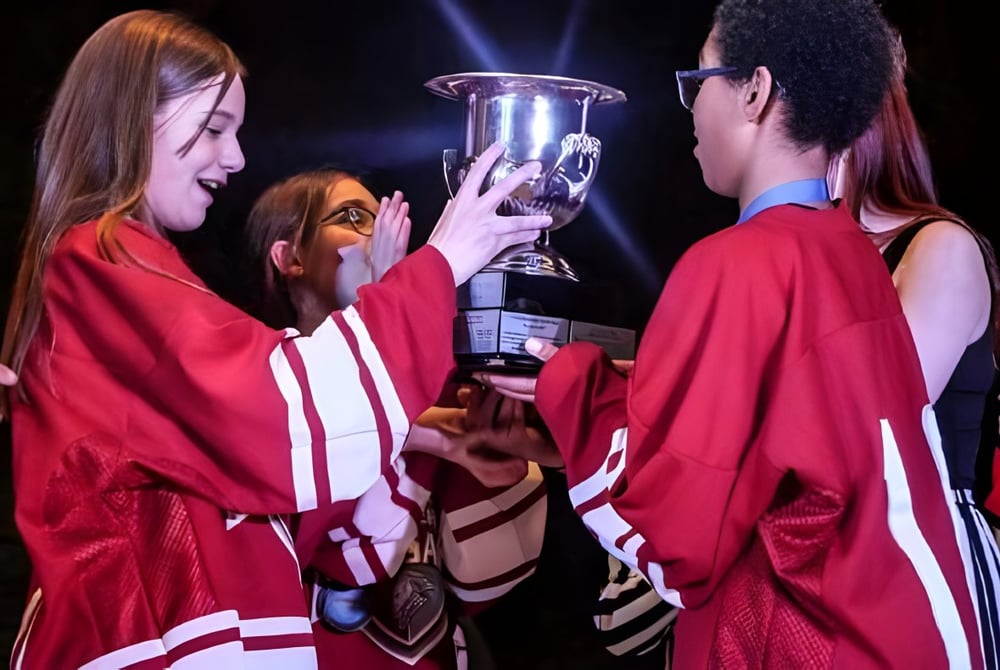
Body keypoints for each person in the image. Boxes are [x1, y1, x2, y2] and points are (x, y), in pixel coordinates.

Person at [0, 9, 549, 669]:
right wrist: (442, 263)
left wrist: (420, 433)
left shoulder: (135, 266)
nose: (234, 157)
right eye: (213, 128)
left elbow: (264, 483)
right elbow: (274, 416)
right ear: (134, 115)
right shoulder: (100, 258)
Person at [476, 0, 985, 667]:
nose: (690, 107)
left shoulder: (737, 264)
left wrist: (567, 381)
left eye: (699, 80)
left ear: (755, 91)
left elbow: (679, 538)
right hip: (904, 623)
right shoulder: (851, 253)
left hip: (810, 635)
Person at [241, 166, 550, 668]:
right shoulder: (263, 385)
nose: (383, 230)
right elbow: (310, 544)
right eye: (354, 217)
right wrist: (386, 308)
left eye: (387, 214)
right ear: (290, 257)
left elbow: (488, 577)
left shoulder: (437, 376)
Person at [827, 33, 1000, 669]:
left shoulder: (940, 246)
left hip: (922, 557)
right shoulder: (799, 255)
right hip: (820, 557)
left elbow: (871, 428)